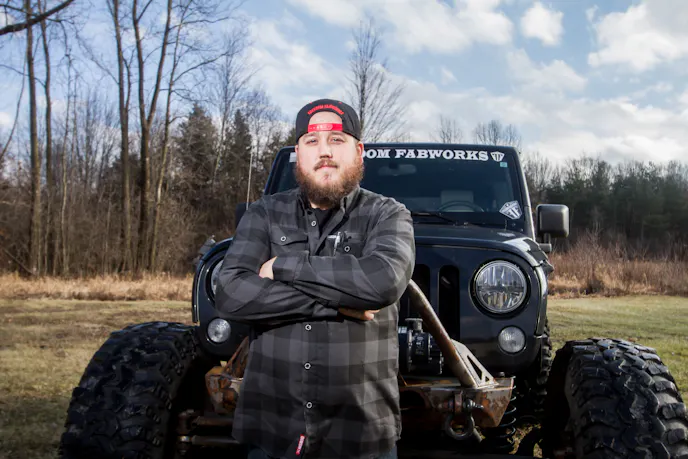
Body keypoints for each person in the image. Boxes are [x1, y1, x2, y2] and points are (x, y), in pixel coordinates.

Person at [215, 98, 415, 459]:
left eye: (336, 140)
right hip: (273, 428)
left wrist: (283, 267)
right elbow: (230, 292)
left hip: (360, 431)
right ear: (298, 154)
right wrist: (338, 304)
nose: (324, 151)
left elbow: (383, 281)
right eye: (312, 141)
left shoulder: (387, 214)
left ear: (358, 152)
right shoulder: (264, 214)